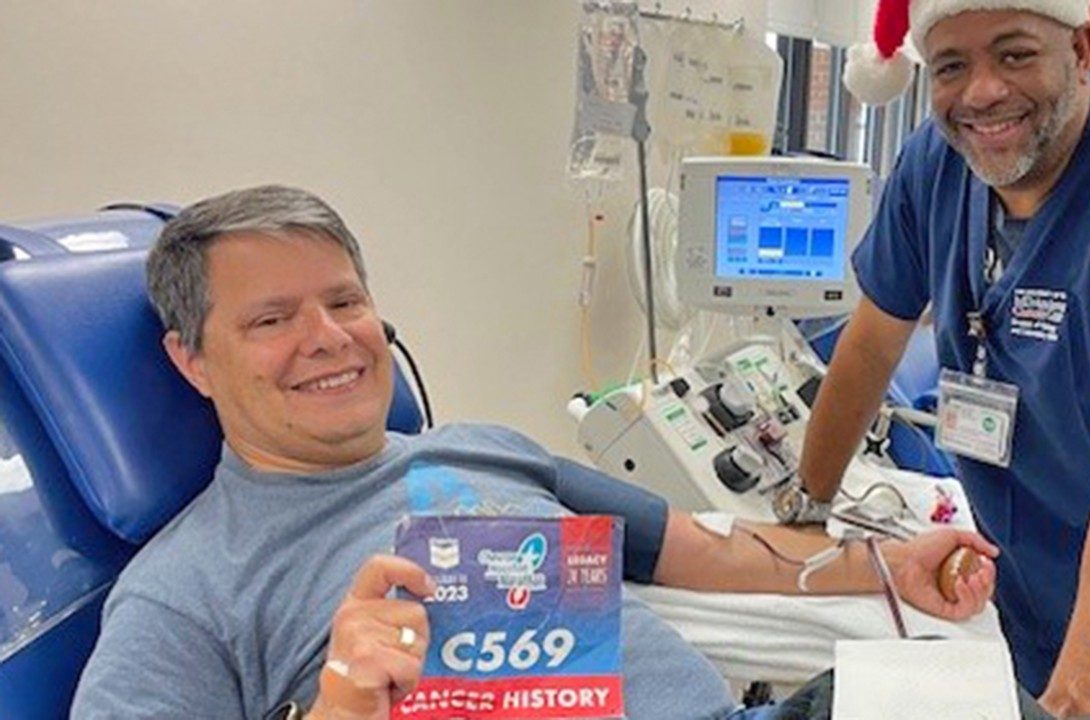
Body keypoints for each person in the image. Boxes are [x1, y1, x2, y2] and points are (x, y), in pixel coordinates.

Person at [69, 185, 997, 720]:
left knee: (986, 702)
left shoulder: (487, 448)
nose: (331, 338)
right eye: (273, 319)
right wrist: (343, 708)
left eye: (345, 302)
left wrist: (887, 567)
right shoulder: (183, 589)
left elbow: (705, 548)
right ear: (191, 360)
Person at [800, 0, 1090, 717]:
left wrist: (1074, 704)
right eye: (952, 65)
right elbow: (871, 340)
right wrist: (807, 505)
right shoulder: (939, 162)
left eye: (1015, 53)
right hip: (1036, 581)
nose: (983, 92)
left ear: (1080, 50)